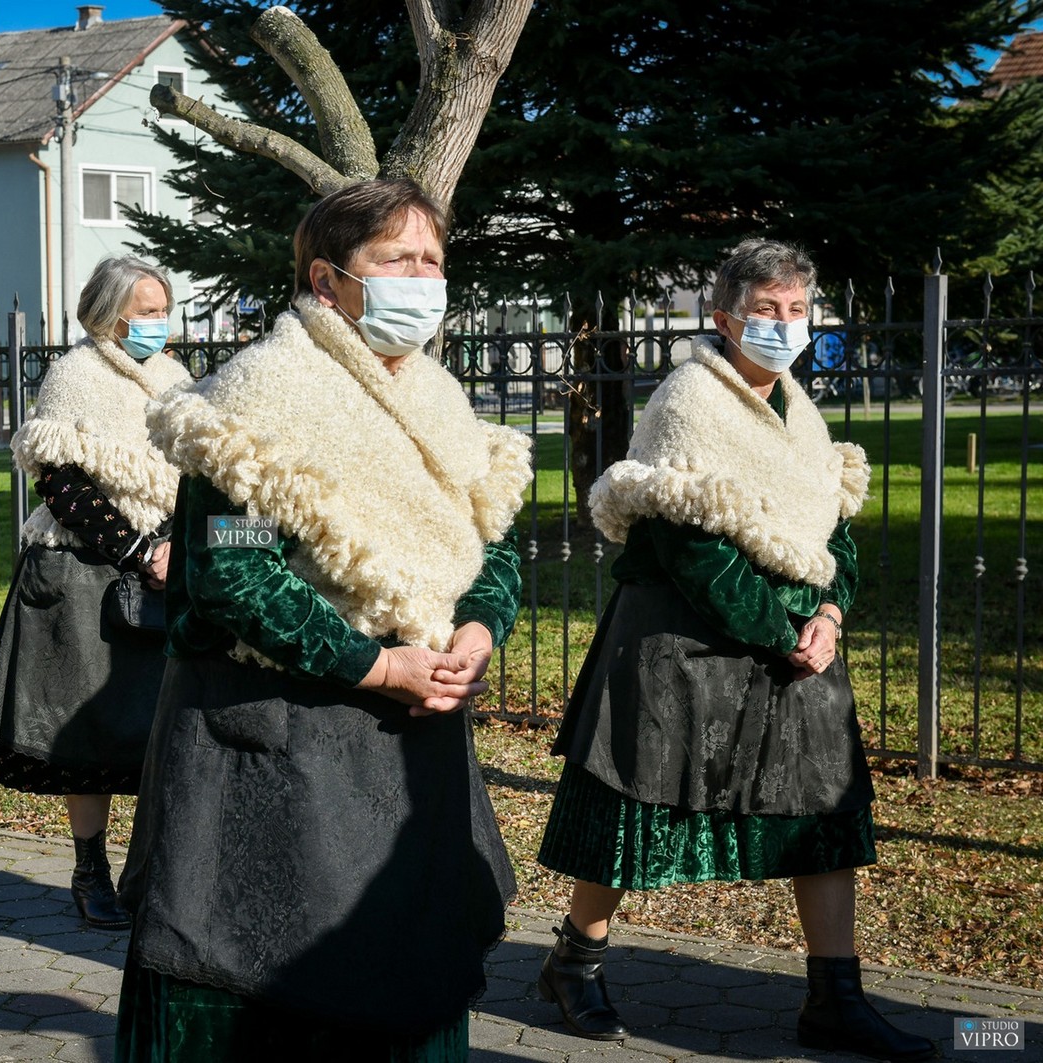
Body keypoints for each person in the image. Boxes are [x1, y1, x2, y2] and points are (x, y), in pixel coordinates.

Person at [115, 179, 534, 1062]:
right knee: (271, 990)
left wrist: (476, 632)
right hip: (276, 743)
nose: (421, 278)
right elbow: (232, 571)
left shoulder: (435, 398)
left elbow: (491, 543)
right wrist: (379, 666)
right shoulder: (257, 402)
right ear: (326, 279)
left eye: (432, 259)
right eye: (395, 259)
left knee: (405, 972)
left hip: (415, 745)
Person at [533, 239, 934, 1063]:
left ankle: (835, 998)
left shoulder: (801, 406)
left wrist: (828, 612)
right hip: (682, 641)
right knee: (635, 810)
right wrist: (781, 632)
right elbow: (692, 548)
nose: (783, 325)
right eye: (766, 310)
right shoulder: (689, 400)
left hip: (796, 644)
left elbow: (832, 531)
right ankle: (574, 962)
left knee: (826, 810)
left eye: (796, 310)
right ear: (723, 317)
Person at [0, 254, 189, 929]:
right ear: (109, 313)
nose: (158, 323)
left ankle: (152, 872)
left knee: (165, 731)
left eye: (163, 310)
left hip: (165, 572)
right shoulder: (74, 374)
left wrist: (176, 546)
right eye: (146, 311)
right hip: (84, 573)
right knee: (87, 737)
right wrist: (137, 549)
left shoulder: (176, 379)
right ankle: (89, 868)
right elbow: (59, 481)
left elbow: (196, 474)